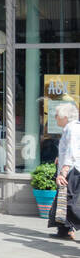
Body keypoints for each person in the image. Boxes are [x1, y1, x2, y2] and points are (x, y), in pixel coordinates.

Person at [50, 102, 80, 240]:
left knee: (67, 202)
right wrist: (59, 157)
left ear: (65, 116)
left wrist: (64, 170)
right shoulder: (72, 128)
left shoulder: (71, 129)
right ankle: (64, 231)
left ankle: (66, 230)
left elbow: (72, 151)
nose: (55, 118)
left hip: (72, 170)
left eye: (57, 115)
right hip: (72, 168)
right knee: (62, 200)